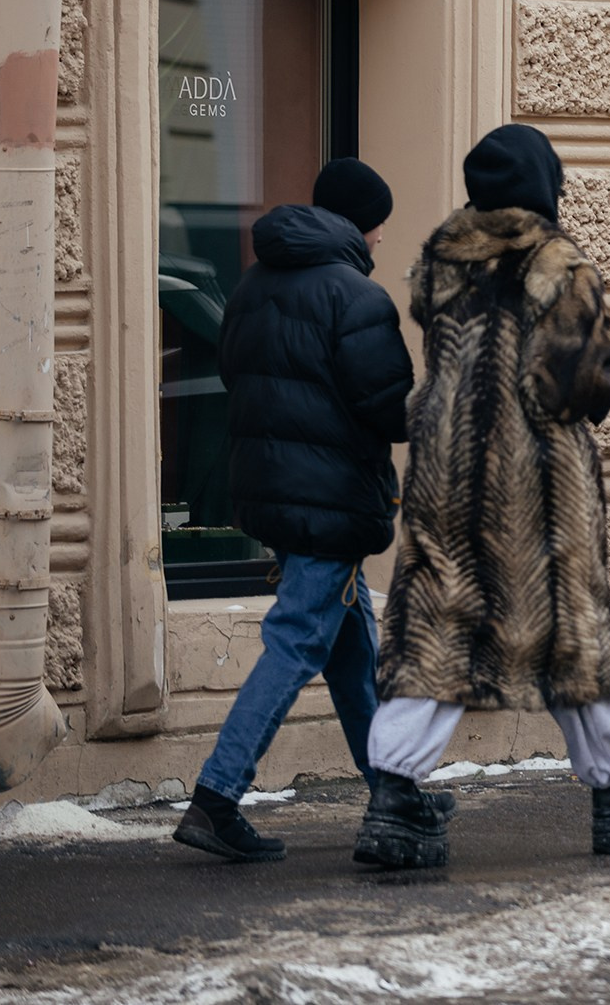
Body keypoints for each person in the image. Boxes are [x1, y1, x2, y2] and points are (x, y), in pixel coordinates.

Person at [353, 124, 610, 869]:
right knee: (568, 626)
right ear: (543, 185)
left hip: (445, 474)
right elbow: (577, 378)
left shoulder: (443, 263)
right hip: (532, 477)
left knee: (440, 629)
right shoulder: (556, 262)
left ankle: (395, 794)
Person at [174, 158, 417, 863]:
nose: (380, 242)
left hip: (275, 496)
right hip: (332, 501)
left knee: (351, 653)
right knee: (295, 644)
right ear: (359, 225)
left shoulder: (253, 284)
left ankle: (392, 791)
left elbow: (231, 373)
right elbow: (389, 408)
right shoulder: (356, 296)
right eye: (378, 227)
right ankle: (216, 796)